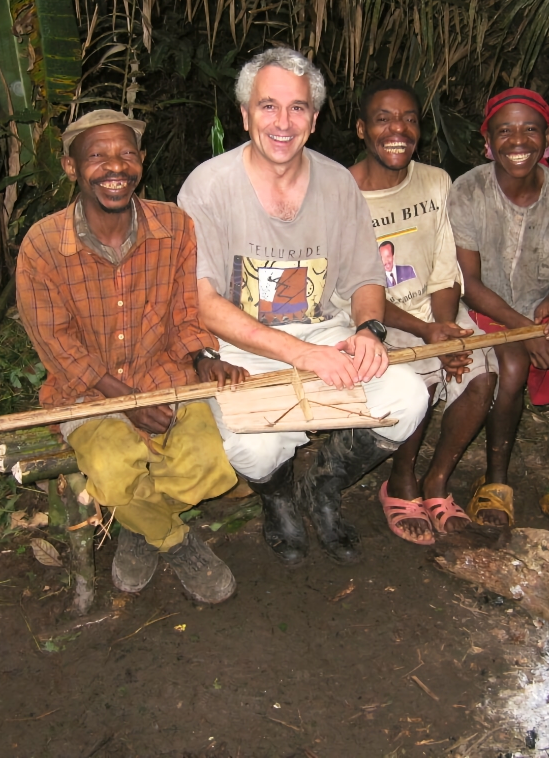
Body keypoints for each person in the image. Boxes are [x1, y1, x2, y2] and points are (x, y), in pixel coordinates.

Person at [178, 48, 429, 566]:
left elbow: (364, 276)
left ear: (314, 120)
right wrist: (301, 356)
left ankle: (323, 486)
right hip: (242, 343)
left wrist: (368, 330)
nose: (282, 122)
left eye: (297, 108)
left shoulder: (337, 183)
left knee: (407, 400)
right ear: (245, 114)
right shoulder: (209, 186)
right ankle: (278, 498)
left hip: (325, 332)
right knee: (253, 449)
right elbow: (204, 304)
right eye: (267, 106)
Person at [16, 109, 248, 604]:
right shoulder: (42, 245)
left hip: (165, 377)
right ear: (71, 167)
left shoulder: (174, 226)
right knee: (115, 473)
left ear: (141, 161)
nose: (113, 166)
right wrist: (125, 402)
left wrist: (203, 355)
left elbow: (188, 309)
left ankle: (139, 527)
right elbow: (56, 344)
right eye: (96, 156)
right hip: (86, 393)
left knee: (208, 468)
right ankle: (176, 539)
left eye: (125, 153)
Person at [447, 88, 549, 544]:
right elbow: (470, 285)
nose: (519, 140)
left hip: (542, 310)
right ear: (488, 141)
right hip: (488, 310)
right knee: (511, 364)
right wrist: (524, 329)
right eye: (505, 131)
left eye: (530, 129)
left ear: (548, 137)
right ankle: (495, 483)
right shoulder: (469, 189)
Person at [348, 79, 498, 544]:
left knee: (480, 375)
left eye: (409, 119)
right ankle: (403, 480)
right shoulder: (342, 193)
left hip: (434, 311)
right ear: (361, 129)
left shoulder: (435, 181)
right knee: (421, 377)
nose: (398, 129)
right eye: (383, 119)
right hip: (374, 319)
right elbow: (354, 288)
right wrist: (426, 333)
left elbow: (443, 264)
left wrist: (447, 328)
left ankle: (437, 480)